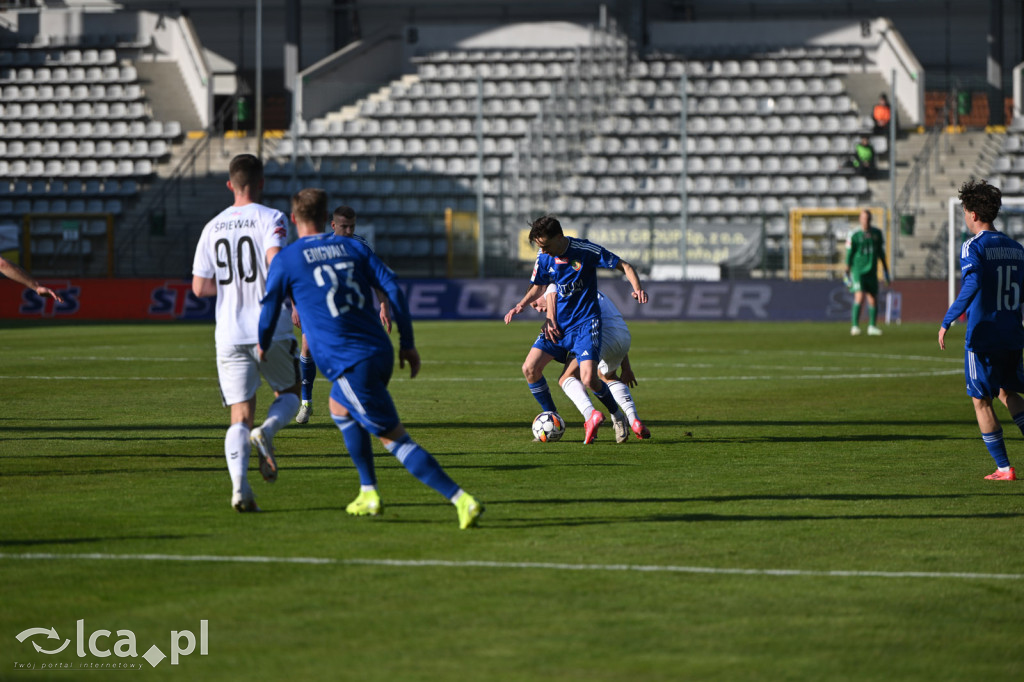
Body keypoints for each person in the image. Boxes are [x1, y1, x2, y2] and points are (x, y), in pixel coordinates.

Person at [258, 188, 482, 528]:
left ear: (293, 219)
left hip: (350, 362)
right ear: (326, 219)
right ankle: (368, 491)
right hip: (379, 350)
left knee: (394, 439)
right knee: (339, 408)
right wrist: (407, 341)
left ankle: (461, 499)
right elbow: (392, 288)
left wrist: (262, 342)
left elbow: (270, 306)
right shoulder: (354, 247)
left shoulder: (287, 259)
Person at [192, 153, 301, 512]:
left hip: (228, 332)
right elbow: (276, 263)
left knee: (239, 412)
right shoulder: (271, 218)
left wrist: (230, 287)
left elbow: (199, 287)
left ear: (230, 185)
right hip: (269, 327)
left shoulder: (211, 226)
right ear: (262, 182)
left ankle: (240, 490)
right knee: (289, 393)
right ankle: (267, 432)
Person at [504, 215, 647, 444]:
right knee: (530, 368)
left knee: (590, 379)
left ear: (560, 237)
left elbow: (624, 265)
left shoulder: (584, 249)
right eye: (541, 247)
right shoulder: (544, 257)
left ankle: (618, 416)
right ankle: (553, 417)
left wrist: (637, 288)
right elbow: (540, 285)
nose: (544, 251)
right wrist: (520, 304)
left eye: (547, 246)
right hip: (558, 325)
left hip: (585, 323)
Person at [939, 179, 1024, 481]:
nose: (964, 215)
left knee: (980, 399)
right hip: (1012, 333)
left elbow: (972, 283)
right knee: (1006, 391)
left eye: (964, 210)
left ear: (973, 214)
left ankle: (1003, 467)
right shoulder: (1016, 248)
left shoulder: (973, 246)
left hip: (984, 335)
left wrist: (948, 319)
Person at [294, 205, 390, 424]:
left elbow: (376, 277)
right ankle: (306, 403)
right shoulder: (318, 245)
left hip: (349, 310)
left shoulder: (361, 246)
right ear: (333, 225)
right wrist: (296, 306)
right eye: (344, 226)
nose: (348, 231)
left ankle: (358, 401)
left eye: (352, 226)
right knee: (307, 347)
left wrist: (383, 304)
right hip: (317, 307)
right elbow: (298, 277)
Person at [535, 287, 651, 443]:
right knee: (608, 376)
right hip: (622, 336)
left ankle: (591, 416)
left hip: (599, 334)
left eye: (536, 305)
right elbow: (612, 327)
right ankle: (634, 420)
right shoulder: (589, 288)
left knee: (567, 377)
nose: (539, 310)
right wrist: (627, 367)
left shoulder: (559, 293)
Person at [845, 209, 890, 336]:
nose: (866, 221)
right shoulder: (854, 235)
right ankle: (855, 326)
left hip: (872, 270)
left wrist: (886, 270)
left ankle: (872, 326)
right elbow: (849, 254)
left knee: (872, 298)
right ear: (860, 219)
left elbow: (881, 253)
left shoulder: (877, 233)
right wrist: (846, 272)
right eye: (864, 218)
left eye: (868, 218)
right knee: (859, 296)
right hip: (858, 270)